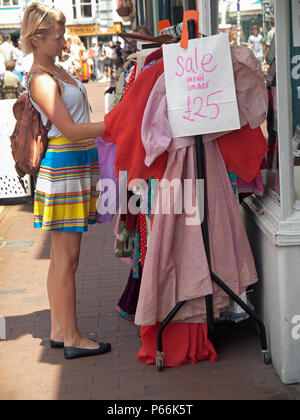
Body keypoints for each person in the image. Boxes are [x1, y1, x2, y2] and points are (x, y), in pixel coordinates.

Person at [20, 2, 110, 359]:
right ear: (37, 39)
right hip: (65, 168)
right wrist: (115, 125)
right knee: (67, 259)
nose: (63, 42)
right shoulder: (41, 78)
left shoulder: (52, 70)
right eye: (57, 37)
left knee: (61, 258)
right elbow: (70, 130)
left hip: (74, 166)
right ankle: (72, 337)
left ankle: (60, 329)